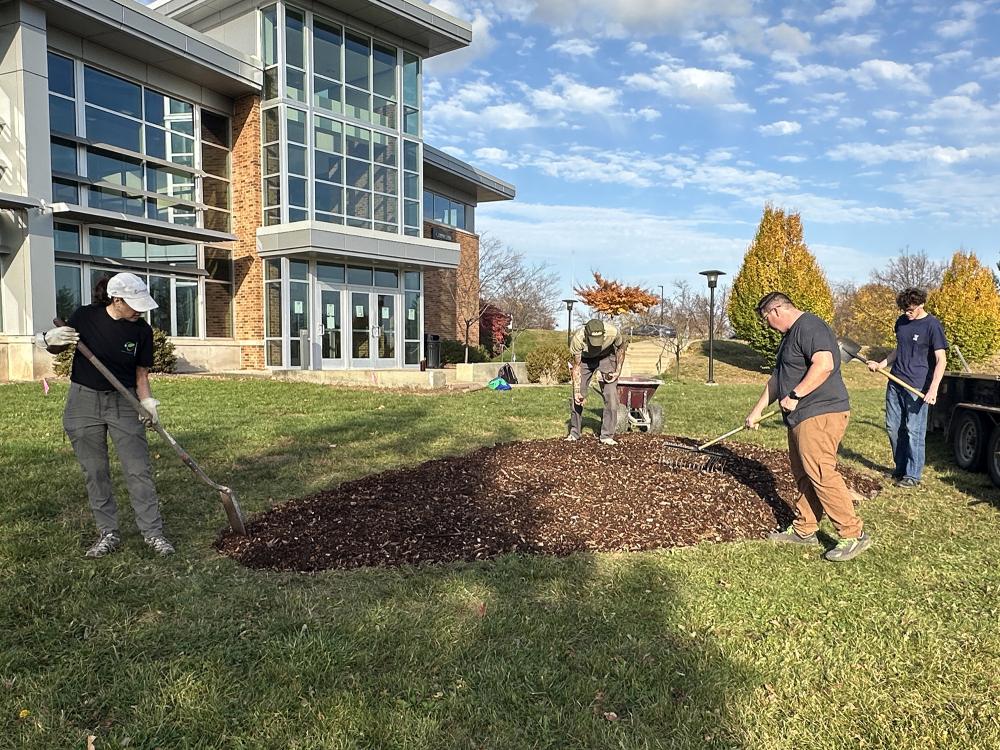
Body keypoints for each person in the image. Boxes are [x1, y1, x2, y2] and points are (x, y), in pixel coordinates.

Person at [35, 272, 175, 558]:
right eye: (133, 304)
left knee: (138, 469)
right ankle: (108, 532)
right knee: (95, 471)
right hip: (83, 401)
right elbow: (58, 345)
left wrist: (147, 403)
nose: (139, 310)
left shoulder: (142, 331)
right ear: (116, 299)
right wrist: (49, 339)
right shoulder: (86, 317)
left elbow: (141, 374)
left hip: (124, 401)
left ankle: (153, 533)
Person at [745, 292, 872, 562]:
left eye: (766, 319)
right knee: (804, 472)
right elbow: (777, 379)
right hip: (800, 416)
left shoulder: (810, 326)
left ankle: (853, 534)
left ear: (776, 311)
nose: (768, 324)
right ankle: (805, 529)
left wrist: (796, 395)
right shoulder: (788, 338)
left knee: (821, 471)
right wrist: (756, 412)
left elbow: (824, 364)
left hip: (820, 411)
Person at [866, 287, 948, 488]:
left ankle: (913, 475)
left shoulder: (932, 325)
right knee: (893, 428)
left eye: (910, 309)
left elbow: (941, 359)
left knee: (914, 430)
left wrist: (933, 389)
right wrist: (882, 364)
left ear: (921, 305)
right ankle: (900, 469)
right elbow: (898, 349)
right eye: (904, 310)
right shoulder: (901, 322)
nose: (907, 313)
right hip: (895, 382)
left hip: (917, 386)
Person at [567, 319, 627, 445]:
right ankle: (574, 433)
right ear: (586, 334)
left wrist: (618, 370)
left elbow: (621, 347)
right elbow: (577, 366)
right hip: (585, 360)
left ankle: (607, 436)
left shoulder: (613, 332)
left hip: (606, 357)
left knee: (611, 395)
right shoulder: (578, 339)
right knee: (577, 397)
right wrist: (577, 391)